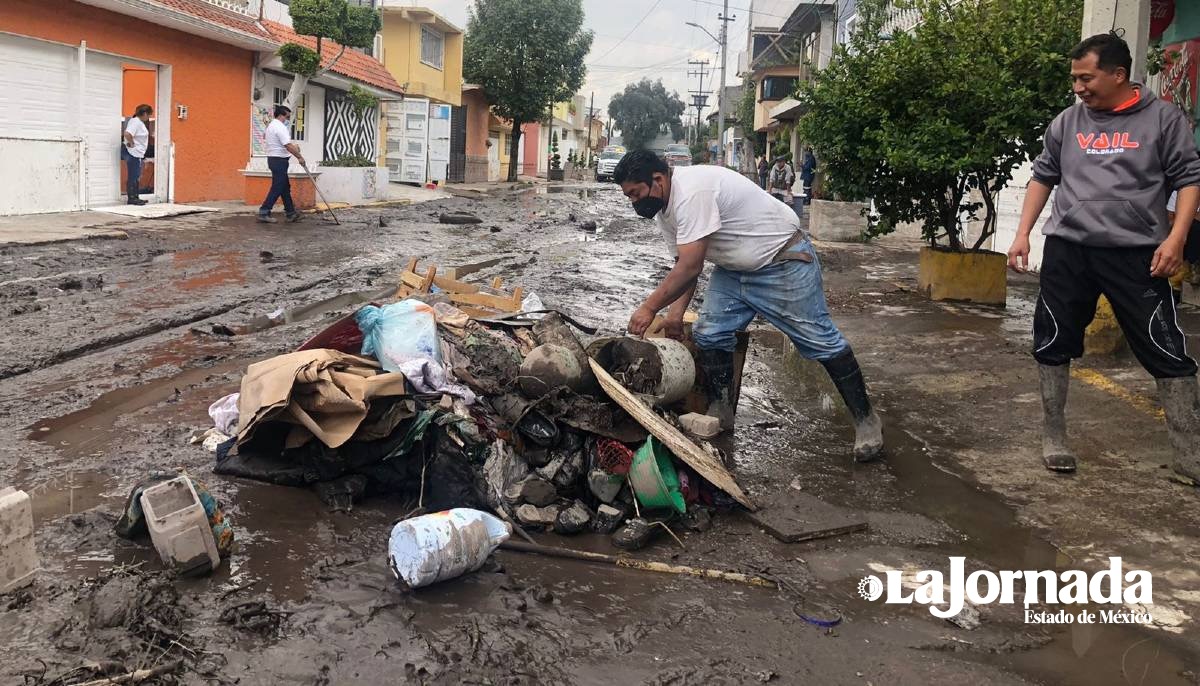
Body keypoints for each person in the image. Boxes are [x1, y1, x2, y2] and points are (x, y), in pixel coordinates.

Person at [1006, 33, 1200, 480]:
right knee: (1053, 339)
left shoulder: (1163, 121)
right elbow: (1043, 177)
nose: (1078, 87)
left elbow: (1190, 180)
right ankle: (1054, 435)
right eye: (1074, 78)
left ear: (1118, 75)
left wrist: (1176, 239)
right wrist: (1023, 234)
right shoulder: (1067, 123)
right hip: (1069, 250)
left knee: (1164, 345)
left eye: (1086, 77)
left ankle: (1189, 456)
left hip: (1137, 254)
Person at [614, 150, 884, 462]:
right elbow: (683, 265)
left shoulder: (692, 192)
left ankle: (867, 421)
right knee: (710, 332)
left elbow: (690, 267)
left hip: (782, 260)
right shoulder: (665, 210)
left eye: (635, 194)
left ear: (657, 180)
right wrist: (675, 314)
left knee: (820, 341)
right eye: (628, 197)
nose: (634, 202)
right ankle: (721, 411)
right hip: (734, 271)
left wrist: (648, 308)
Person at [259, 105, 305, 224]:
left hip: (275, 159)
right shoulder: (279, 127)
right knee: (278, 187)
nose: (288, 119)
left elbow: (283, 144)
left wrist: (294, 148)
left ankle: (291, 213)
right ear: (281, 115)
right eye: (287, 117)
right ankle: (264, 211)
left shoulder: (271, 126)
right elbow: (287, 145)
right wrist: (299, 157)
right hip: (279, 160)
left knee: (284, 187)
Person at [123, 104, 152, 206]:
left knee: (136, 175)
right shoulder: (136, 122)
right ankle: (132, 198)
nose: (148, 118)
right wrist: (131, 144)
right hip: (133, 153)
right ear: (144, 114)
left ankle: (136, 197)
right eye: (148, 115)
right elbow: (127, 134)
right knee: (134, 175)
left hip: (137, 153)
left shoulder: (137, 122)